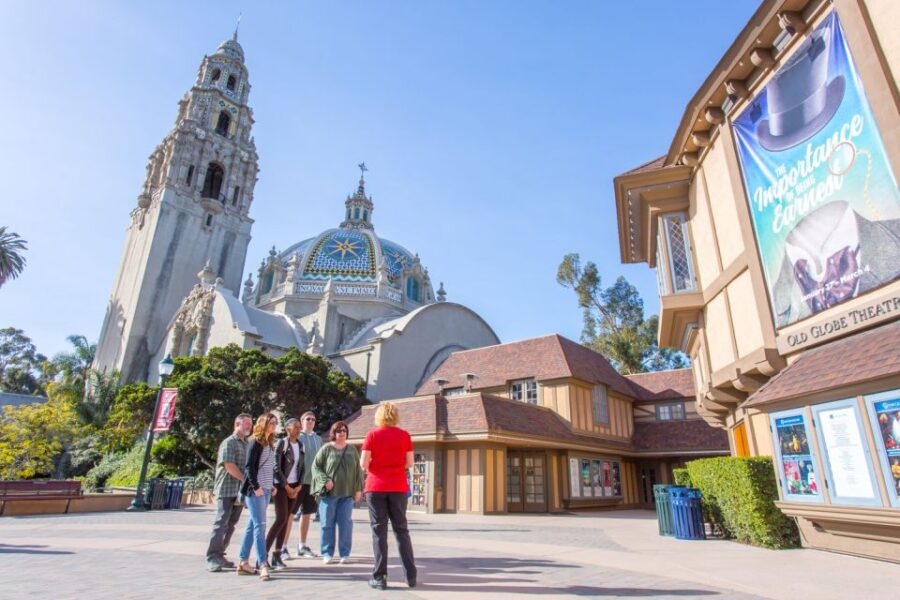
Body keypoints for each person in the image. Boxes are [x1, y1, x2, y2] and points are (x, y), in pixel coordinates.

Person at [360, 402, 417, 590]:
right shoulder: (404, 435)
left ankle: (380, 577)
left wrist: (377, 463)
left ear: (379, 416)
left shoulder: (372, 435)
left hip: (376, 486)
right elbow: (409, 463)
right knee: (401, 530)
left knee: (379, 532)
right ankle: (410, 575)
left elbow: (363, 463)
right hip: (398, 486)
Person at [206, 413, 252, 572]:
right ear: (237, 424)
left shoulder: (246, 444)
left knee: (231, 525)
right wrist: (245, 480)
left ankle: (220, 555)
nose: (249, 426)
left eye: (250, 424)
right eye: (246, 423)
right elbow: (229, 466)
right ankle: (212, 557)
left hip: (239, 491)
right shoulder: (229, 442)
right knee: (221, 523)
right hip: (226, 488)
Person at [312, 420, 362, 565]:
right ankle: (327, 553)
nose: (342, 433)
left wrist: (358, 489)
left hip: (347, 494)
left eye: (344, 431)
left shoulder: (352, 449)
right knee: (327, 524)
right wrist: (325, 480)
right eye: (339, 431)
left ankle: (345, 554)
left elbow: (358, 471)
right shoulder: (326, 448)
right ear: (334, 433)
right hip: (329, 495)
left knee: (345, 524)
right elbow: (316, 467)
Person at [237, 413, 279, 580]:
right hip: (256, 490)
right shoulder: (255, 442)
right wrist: (256, 487)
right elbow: (249, 467)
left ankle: (243, 562)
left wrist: (272, 485)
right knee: (260, 526)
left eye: (275, 422)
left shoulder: (269, 443)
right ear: (263, 423)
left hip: (267, 488)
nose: (274, 425)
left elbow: (268, 468)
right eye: (271, 422)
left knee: (252, 525)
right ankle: (263, 564)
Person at [265, 417, 304, 570]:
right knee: (280, 518)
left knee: (286, 520)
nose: (299, 429)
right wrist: (286, 487)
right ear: (288, 429)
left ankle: (277, 555)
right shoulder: (282, 443)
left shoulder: (300, 445)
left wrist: (299, 485)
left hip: (295, 486)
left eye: (299, 427)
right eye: (296, 427)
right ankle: (263, 556)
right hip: (281, 486)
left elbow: (302, 466)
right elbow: (276, 467)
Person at [288, 411, 323, 558]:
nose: (310, 421)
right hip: (297, 482)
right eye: (307, 419)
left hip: (312, 483)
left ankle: (302, 545)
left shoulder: (319, 439)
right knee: (289, 514)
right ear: (302, 421)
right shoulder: (297, 437)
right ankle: (282, 547)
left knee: (307, 514)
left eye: (313, 419)